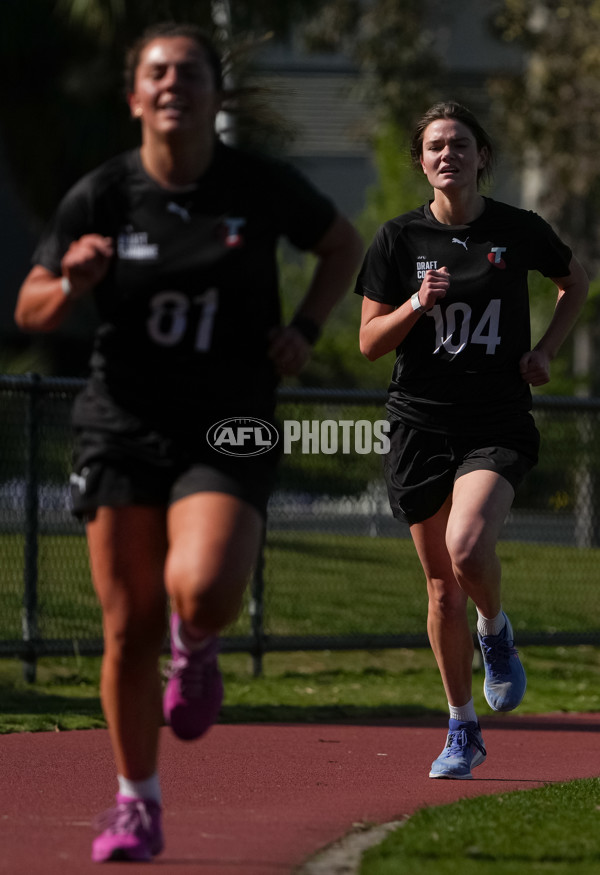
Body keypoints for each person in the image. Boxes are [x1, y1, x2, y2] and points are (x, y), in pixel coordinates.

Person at [15, 21, 363, 862]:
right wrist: (72, 279)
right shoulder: (102, 194)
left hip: (227, 416)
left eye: (191, 73)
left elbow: (341, 243)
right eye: (157, 74)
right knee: (127, 625)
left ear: (215, 96)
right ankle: (136, 800)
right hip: (122, 420)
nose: (174, 85)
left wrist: (307, 327)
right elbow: (30, 304)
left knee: (201, 587)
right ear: (135, 96)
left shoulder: (259, 185)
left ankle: (199, 642)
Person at [356, 101, 588, 780]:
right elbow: (370, 343)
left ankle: (496, 630)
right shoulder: (397, 240)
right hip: (419, 423)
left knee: (466, 547)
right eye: (435, 146)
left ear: (482, 156)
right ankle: (462, 727)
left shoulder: (516, 230)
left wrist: (546, 349)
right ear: (421, 160)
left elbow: (574, 280)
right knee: (438, 591)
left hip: (495, 419)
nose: (448, 155)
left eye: (460, 144)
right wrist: (414, 305)